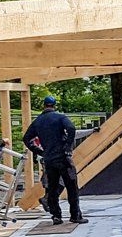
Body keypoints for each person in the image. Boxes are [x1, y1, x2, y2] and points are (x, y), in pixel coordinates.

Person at [23, 96, 85, 225]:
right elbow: (71, 129)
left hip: (49, 160)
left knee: (52, 189)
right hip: (63, 158)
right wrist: (68, 146)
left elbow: (26, 138)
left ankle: (56, 216)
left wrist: (39, 151)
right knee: (72, 187)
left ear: (44, 106)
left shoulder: (38, 121)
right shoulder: (60, 117)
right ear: (54, 105)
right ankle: (75, 215)